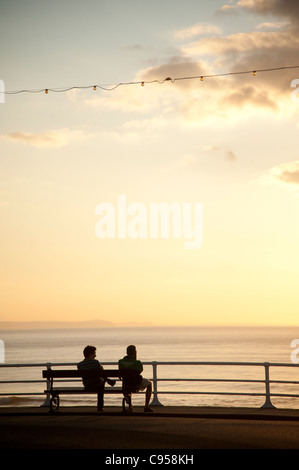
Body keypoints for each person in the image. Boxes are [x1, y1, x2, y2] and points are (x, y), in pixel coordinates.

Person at [77, 345, 115, 411]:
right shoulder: (95, 362)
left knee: (101, 380)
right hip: (97, 385)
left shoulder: (79, 365)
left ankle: (109, 381)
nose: (95, 355)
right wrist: (106, 379)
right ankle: (100, 407)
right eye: (94, 353)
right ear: (90, 354)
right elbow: (102, 372)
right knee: (102, 382)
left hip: (87, 385)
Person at [118, 344, 154, 412]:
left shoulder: (121, 361)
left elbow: (121, 372)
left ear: (126, 352)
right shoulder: (137, 362)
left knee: (128, 381)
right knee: (149, 384)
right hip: (136, 383)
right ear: (135, 352)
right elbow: (140, 371)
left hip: (126, 383)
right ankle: (146, 406)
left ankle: (130, 405)